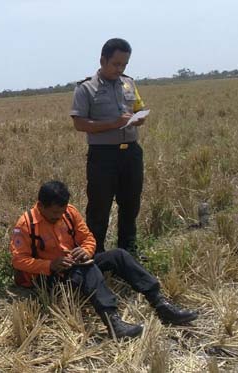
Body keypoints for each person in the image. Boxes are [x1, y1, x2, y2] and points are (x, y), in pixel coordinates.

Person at [9, 181, 197, 339]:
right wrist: (50, 264)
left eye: (61, 213)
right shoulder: (25, 225)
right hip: (50, 276)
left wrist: (86, 251)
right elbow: (18, 260)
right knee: (87, 269)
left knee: (118, 255)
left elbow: (88, 238)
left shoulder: (70, 213)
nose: (58, 217)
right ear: (40, 206)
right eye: (53, 215)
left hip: (74, 264)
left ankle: (160, 304)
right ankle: (113, 322)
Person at [70, 38, 147, 254]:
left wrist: (139, 117)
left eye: (124, 64)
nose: (120, 69)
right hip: (103, 156)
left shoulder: (129, 83)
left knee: (131, 204)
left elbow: (140, 107)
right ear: (103, 60)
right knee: (99, 208)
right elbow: (79, 123)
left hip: (131, 153)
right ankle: (96, 255)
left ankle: (128, 251)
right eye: (116, 64)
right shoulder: (86, 88)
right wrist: (113, 124)